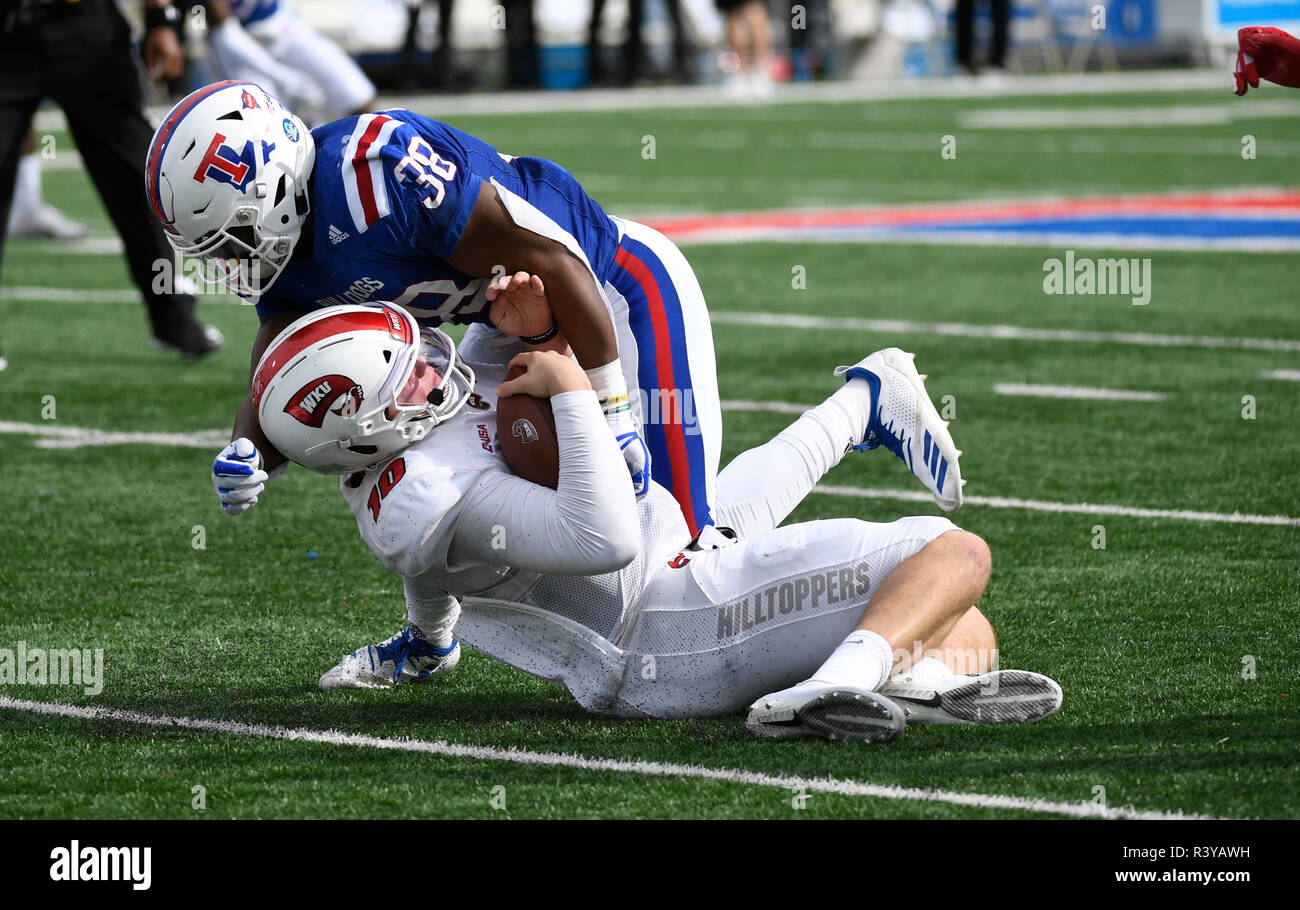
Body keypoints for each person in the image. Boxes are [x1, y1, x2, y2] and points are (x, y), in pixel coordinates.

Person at [147, 81, 953, 545]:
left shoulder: (375, 173)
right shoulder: (291, 252)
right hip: (513, 324)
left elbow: (557, 263)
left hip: (612, 293)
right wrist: (250, 449)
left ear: (273, 184)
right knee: (445, 474)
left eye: (233, 237)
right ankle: (432, 639)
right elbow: (285, 367)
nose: (231, 262)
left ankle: (865, 403)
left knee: (684, 542)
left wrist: (616, 414)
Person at [247, 301, 1055, 742]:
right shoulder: (425, 495)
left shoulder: (403, 461)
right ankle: (824, 690)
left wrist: (429, 640)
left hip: (676, 563)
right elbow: (605, 537)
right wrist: (573, 393)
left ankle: (866, 410)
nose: (435, 366)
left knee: (959, 625)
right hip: (665, 632)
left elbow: (427, 574)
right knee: (953, 554)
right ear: (360, 431)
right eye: (412, 376)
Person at [0, 0, 223, 364]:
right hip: (8, 36)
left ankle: (173, 318)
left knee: (138, 179)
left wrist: (161, 18)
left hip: (86, 30)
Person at [202, 0, 376, 123]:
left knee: (358, 97)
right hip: (238, 47)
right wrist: (282, 77)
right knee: (266, 125)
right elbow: (226, 33)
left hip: (282, 25)